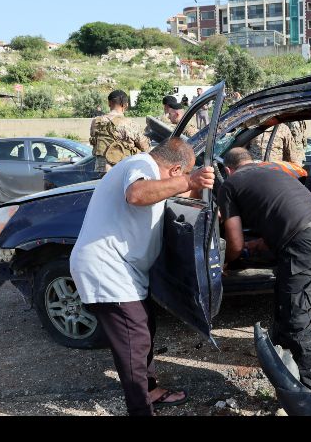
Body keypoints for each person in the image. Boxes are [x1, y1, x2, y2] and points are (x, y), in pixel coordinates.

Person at [69, 138, 215, 416]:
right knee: (133, 343)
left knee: (143, 331)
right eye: (183, 174)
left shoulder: (150, 173)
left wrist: (194, 187)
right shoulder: (140, 164)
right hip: (108, 270)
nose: (183, 179)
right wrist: (189, 181)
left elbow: (176, 200)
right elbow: (136, 195)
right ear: (175, 169)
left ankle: (149, 391)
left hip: (124, 271)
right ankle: (140, 409)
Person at [217, 147, 311, 395]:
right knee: (286, 295)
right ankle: (281, 351)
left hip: (303, 242)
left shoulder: (229, 184)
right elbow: (282, 216)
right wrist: (259, 244)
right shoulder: (274, 169)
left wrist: (225, 262)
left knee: (297, 318)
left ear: (228, 169)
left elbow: (235, 244)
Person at [89, 90, 149, 173]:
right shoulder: (129, 123)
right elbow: (144, 147)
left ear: (109, 103)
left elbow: (94, 139)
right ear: (125, 105)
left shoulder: (96, 121)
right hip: (122, 168)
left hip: (101, 168)